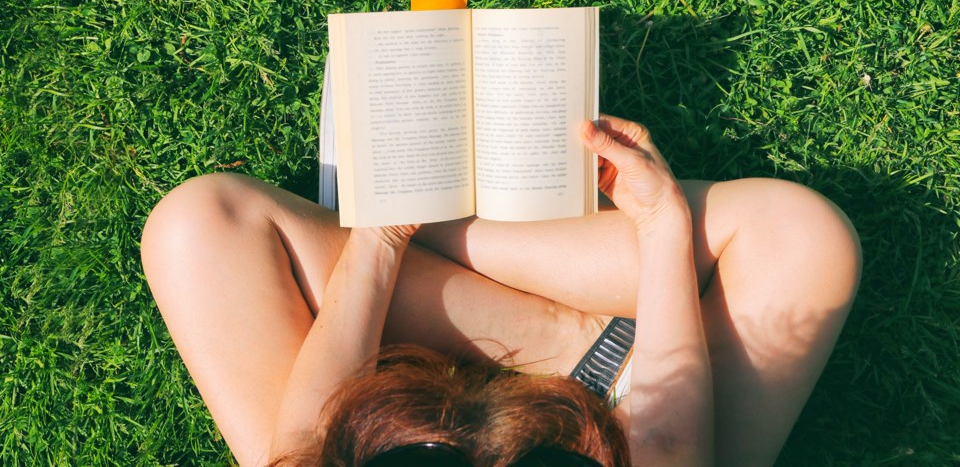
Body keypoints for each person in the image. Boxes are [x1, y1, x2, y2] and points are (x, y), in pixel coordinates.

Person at [140, 115, 861, 467]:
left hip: (390, 382)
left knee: (199, 224)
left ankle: (432, 219)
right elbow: (668, 445)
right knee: (802, 239)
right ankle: (579, 336)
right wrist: (658, 223)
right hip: (623, 411)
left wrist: (382, 240)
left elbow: (306, 441)